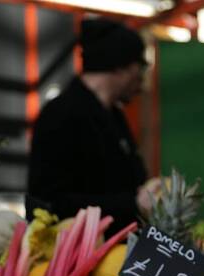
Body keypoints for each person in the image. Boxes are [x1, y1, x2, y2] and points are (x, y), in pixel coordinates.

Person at [27, 18, 149, 234]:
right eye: (141, 66)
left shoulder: (113, 114)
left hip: (121, 254)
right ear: (121, 66)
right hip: (81, 260)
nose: (142, 79)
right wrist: (133, 204)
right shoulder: (61, 114)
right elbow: (47, 202)